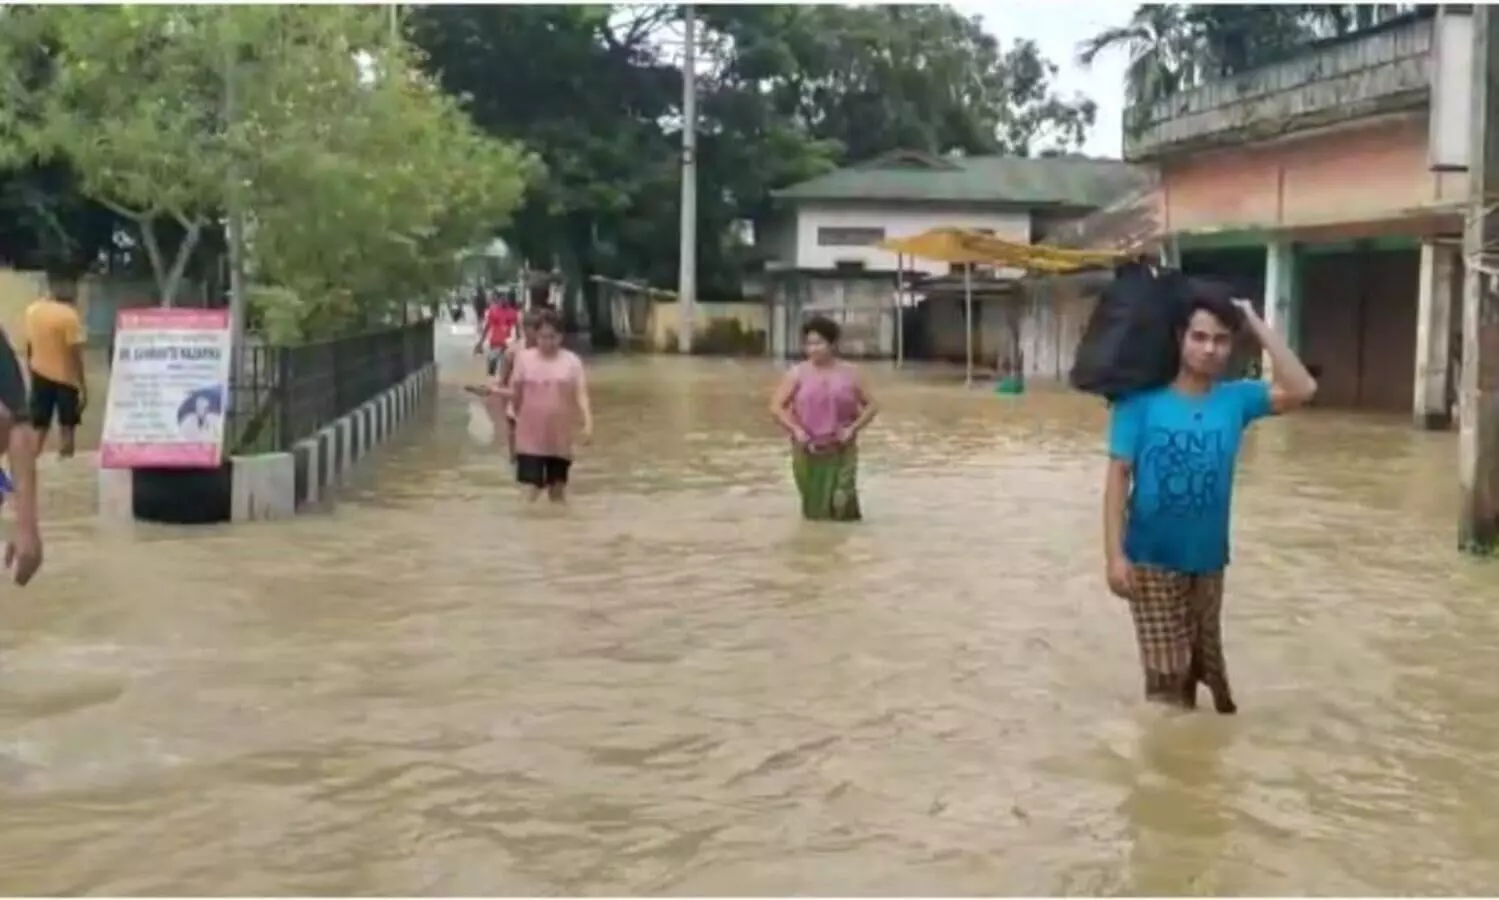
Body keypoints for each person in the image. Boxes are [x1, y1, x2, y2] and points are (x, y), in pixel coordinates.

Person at [1103, 292, 1317, 713]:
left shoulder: (1237, 400)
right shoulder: (1138, 403)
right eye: (1199, 337)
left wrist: (1252, 320)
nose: (1209, 349)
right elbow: (1117, 478)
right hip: (1149, 561)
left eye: (1220, 340)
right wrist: (1114, 556)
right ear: (1180, 338)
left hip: (1208, 561)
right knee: (1167, 679)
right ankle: (1164, 748)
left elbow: (1303, 387)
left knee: (1202, 676)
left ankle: (1188, 747)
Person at [469, 308, 591, 502]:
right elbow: (516, 394)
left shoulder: (572, 362)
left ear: (561, 337)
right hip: (530, 437)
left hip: (559, 438)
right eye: (543, 337)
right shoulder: (524, 359)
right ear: (536, 335)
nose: (547, 342)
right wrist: (492, 391)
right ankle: (526, 522)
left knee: (557, 493)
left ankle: (559, 522)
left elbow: (581, 395)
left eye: (552, 337)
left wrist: (588, 422)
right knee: (530, 491)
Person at [769, 316, 879, 522]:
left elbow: (872, 406)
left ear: (833, 344)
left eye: (819, 343)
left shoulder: (851, 373)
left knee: (842, 503)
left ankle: (845, 540)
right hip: (807, 450)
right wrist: (796, 430)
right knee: (815, 510)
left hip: (842, 449)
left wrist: (853, 429)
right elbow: (776, 407)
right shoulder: (797, 374)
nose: (813, 349)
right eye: (809, 344)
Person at [25, 273, 87, 460]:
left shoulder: (32, 311)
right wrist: (83, 385)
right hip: (66, 377)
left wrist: (31, 368)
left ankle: (32, 459)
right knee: (67, 425)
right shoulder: (69, 316)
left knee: (39, 425)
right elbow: (75, 353)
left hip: (39, 373)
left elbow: (29, 345)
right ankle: (65, 460)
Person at [475, 294, 519, 377]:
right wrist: (481, 342)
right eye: (502, 297)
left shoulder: (513, 312)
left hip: (508, 343)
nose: (504, 299)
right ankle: (491, 377)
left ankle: (501, 379)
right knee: (492, 360)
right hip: (495, 341)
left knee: (505, 366)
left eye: (505, 297)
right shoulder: (493, 311)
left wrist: (519, 342)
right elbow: (487, 326)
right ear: (498, 299)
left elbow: (517, 328)